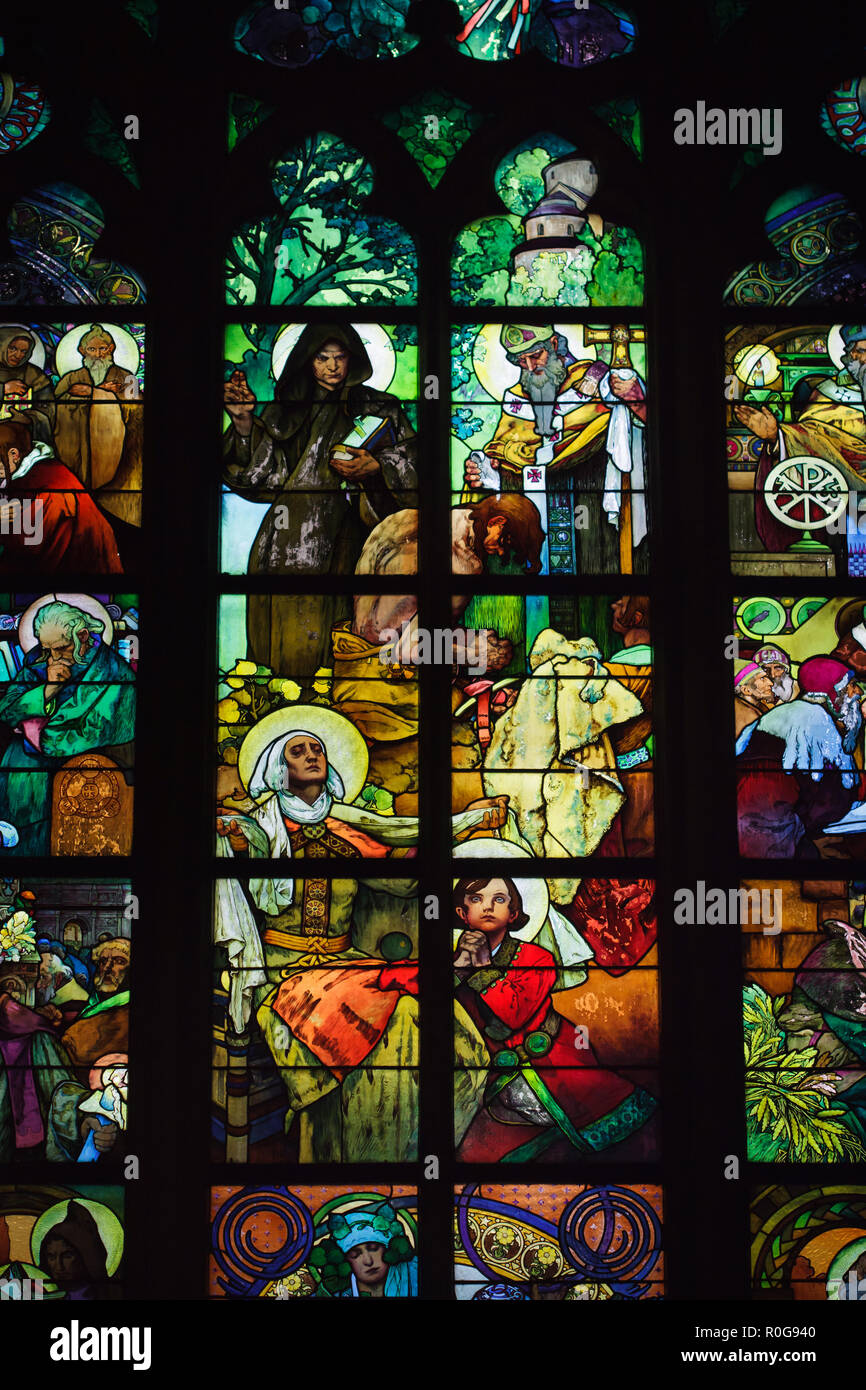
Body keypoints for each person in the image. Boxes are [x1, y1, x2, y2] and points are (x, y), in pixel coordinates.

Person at [214, 706, 509, 1161]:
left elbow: (404, 879)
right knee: (390, 1029)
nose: (313, 755)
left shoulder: (349, 830)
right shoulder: (256, 830)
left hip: (345, 963)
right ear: (278, 766)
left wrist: (462, 829)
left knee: (438, 1023)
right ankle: (346, 1157)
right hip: (279, 972)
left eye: (318, 749)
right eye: (299, 750)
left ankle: (408, 1153)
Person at [222, 323, 418, 675]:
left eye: (340, 358)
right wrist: (243, 423)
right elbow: (258, 477)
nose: (333, 366)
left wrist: (376, 466)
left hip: (357, 538)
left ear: (353, 360)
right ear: (307, 361)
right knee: (285, 641)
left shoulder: (380, 406)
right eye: (323, 358)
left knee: (345, 631)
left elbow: (417, 467)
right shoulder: (284, 411)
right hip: (286, 540)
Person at [453, 875, 657, 1161]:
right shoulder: (458, 963)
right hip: (494, 1085)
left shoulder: (537, 959)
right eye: (476, 899)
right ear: (462, 913)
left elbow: (514, 1014)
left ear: (514, 914)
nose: (487, 907)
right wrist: (457, 972)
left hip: (557, 1068)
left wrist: (482, 969)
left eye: (499, 899)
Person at [462, 323, 647, 572]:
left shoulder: (598, 385)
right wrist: (488, 475)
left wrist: (637, 402)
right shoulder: (515, 401)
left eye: (535, 355)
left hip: (592, 523)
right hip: (536, 526)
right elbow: (505, 460)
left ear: (553, 344)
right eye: (520, 360)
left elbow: (644, 436)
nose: (529, 367)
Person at [0, 599, 136, 854]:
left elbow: (97, 729)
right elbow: (7, 709)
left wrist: (34, 727)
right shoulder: (38, 660)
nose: (53, 657)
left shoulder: (114, 673)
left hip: (91, 769)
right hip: (30, 765)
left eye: (61, 648)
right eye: (47, 648)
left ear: (83, 635)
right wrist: (49, 689)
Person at [734, 325, 866, 553]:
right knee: (850, 563)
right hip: (844, 509)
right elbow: (810, 436)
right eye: (863, 351)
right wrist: (778, 436)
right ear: (852, 355)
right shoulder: (830, 393)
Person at [736, 655, 866, 856]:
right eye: (851, 686)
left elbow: (836, 783)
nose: (858, 692)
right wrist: (809, 852)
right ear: (833, 696)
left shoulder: (821, 735)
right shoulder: (778, 742)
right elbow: (758, 827)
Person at [0, 420, 122, 573]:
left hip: (83, 579)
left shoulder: (52, 486)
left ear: (14, 455)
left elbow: (29, 546)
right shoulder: (25, 477)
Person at [53, 325, 142, 527]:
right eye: (92, 350)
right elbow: (54, 409)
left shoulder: (126, 377)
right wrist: (96, 392)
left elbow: (138, 411)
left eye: (103, 349)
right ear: (82, 351)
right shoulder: (71, 378)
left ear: (111, 349)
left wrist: (96, 393)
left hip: (120, 457)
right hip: (77, 452)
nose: (98, 354)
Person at [318, 1203, 417, 1298]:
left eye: (374, 1249)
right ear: (347, 1262)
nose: (368, 1261)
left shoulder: (415, 1279)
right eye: (355, 1255)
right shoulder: (331, 1294)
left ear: (388, 1250)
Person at [451, 492, 545, 576]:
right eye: (503, 542)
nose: (501, 553)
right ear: (496, 521)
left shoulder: (468, 527)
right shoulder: (456, 538)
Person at [0, 326, 54, 446]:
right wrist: (4, 389)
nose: (18, 355)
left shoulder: (35, 375)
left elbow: (49, 409)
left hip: (23, 437)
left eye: (23, 351)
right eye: (13, 348)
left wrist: (29, 418)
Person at [734, 661, 776, 737]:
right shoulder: (749, 716)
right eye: (762, 678)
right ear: (746, 690)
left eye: (766, 677)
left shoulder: (763, 708)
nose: (770, 683)